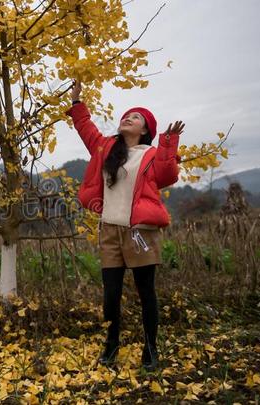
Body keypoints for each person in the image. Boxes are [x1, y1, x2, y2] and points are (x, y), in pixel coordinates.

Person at [65, 80, 184, 371]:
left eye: (136, 117)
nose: (127, 118)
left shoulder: (152, 155)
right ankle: (111, 345)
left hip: (139, 232)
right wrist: (77, 102)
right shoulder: (107, 148)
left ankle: (151, 349)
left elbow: (168, 176)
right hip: (109, 230)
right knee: (110, 295)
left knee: (146, 292)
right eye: (126, 115)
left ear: (145, 129)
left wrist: (168, 144)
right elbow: (86, 129)